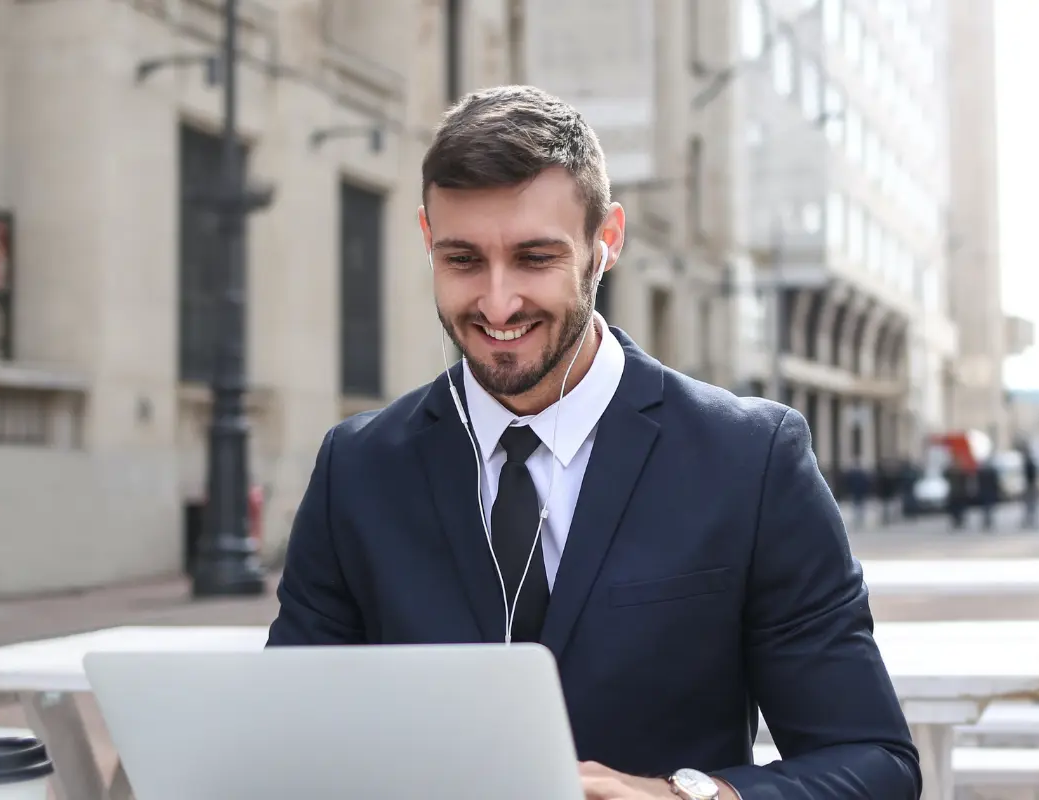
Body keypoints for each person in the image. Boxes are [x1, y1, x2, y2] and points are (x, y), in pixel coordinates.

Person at [266, 86, 918, 800]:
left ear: (606, 242)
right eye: (462, 261)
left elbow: (872, 760)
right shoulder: (356, 470)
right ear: (426, 237)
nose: (497, 302)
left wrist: (685, 798)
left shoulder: (750, 460)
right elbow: (286, 739)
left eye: (534, 258)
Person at [1019, 446, 1039, 528]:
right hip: (1031, 485)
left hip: (1030, 485)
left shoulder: (1028, 463)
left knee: (1030, 505)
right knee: (1031, 505)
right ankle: (1030, 520)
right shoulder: (1030, 463)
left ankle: (1029, 521)